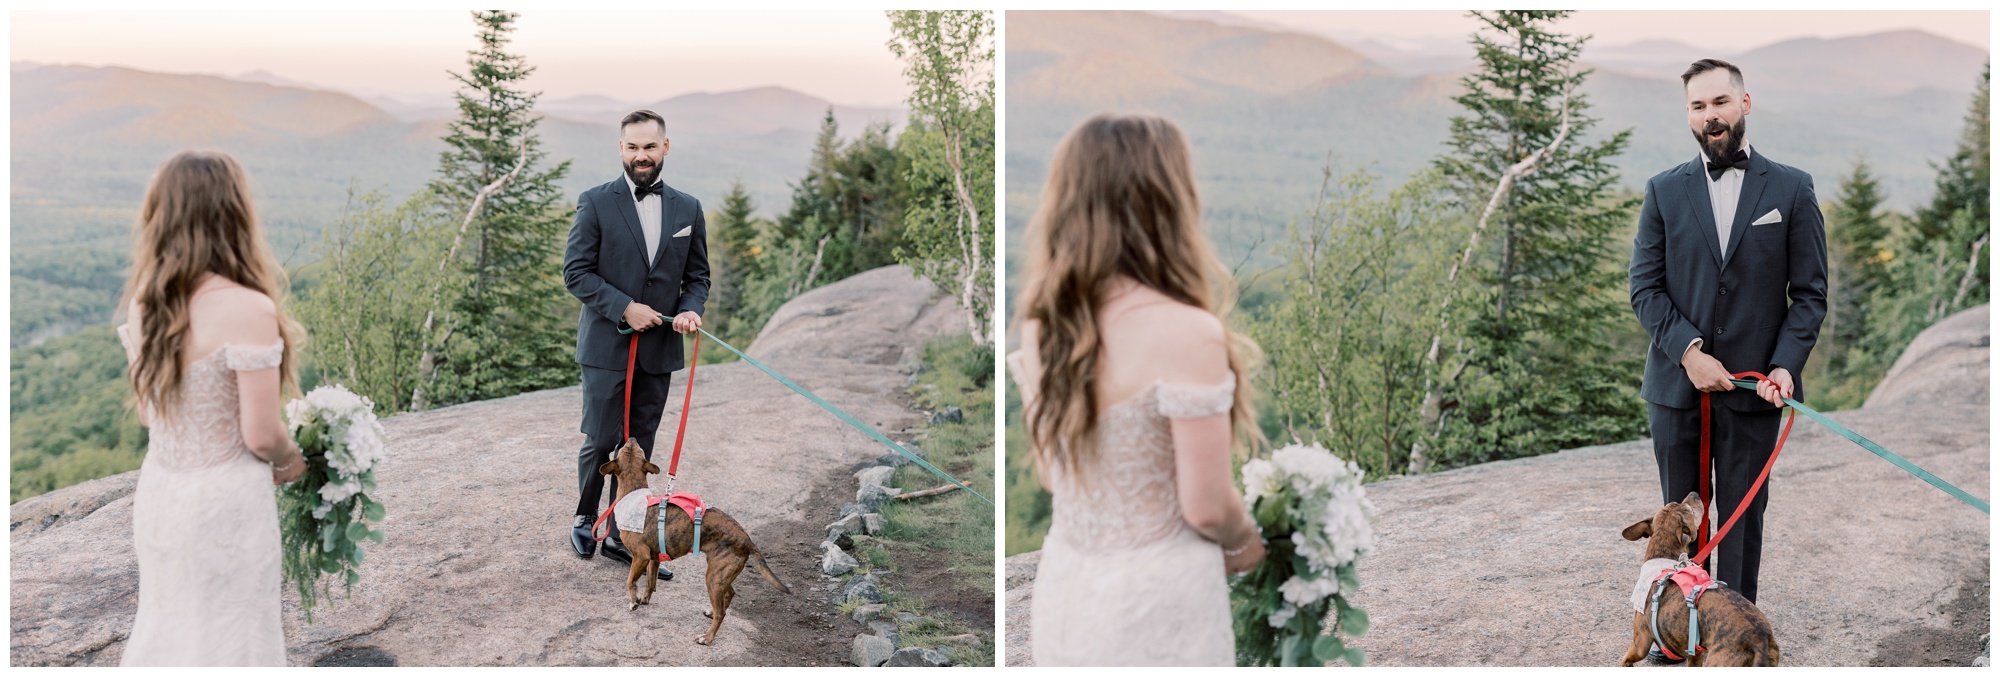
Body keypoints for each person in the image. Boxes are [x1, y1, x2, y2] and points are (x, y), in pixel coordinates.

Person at [1010, 113, 1266, 666]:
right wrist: (1252, 546)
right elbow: (1205, 507)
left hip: (1068, 595)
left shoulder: (1043, 324)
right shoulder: (1188, 332)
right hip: (1163, 605)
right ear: (1168, 200)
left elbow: (1056, 474)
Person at [1628, 58, 1827, 628]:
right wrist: (1689, 353)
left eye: (1719, 102)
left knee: (1739, 525)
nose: (1709, 116)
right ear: (1688, 113)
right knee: (1680, 525)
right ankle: (1677, 636)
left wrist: (1785, 367)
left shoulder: (1791, 188)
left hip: (1755, 390)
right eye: (1697, 105)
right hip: (1675, 389)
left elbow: (1810, 294)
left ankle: (1732, 644)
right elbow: (1644, 288)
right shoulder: (1663, 191)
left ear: (1744, 103)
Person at [117, 150, 307, 666]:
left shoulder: (145, 306)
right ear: (234, 213)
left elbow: (147, 415)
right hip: (227, 504)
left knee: (169, 625)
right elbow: (262, 434)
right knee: (234, 634)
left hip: (161, 495)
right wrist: (295, 462)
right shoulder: (249, 308)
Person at [563, 109, 710, 566]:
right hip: (607, 348)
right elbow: (576, 273)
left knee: (639, 449)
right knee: (602, 439)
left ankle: (620, 534)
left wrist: (690, 309)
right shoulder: (595, 202)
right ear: (621, 149)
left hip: (659, 352)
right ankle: (587, 517)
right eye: (632, 147)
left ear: (665, 147)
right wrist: (625, 306)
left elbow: (698, 276)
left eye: (649, 146)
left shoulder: (688, 208)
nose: (641, 156)